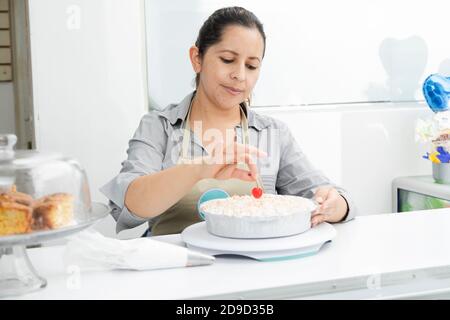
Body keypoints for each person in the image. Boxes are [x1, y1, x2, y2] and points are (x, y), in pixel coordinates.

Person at [100, 6, 356, 236]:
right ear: (196, 58)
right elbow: (129, 206)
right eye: (227, 60)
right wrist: (201, 168)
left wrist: (336, 205)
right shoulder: (160, 127)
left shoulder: (271, 132)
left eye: (252, 66)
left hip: (252, 271)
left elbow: (330, 194)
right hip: (176, 274)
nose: (239, 75)